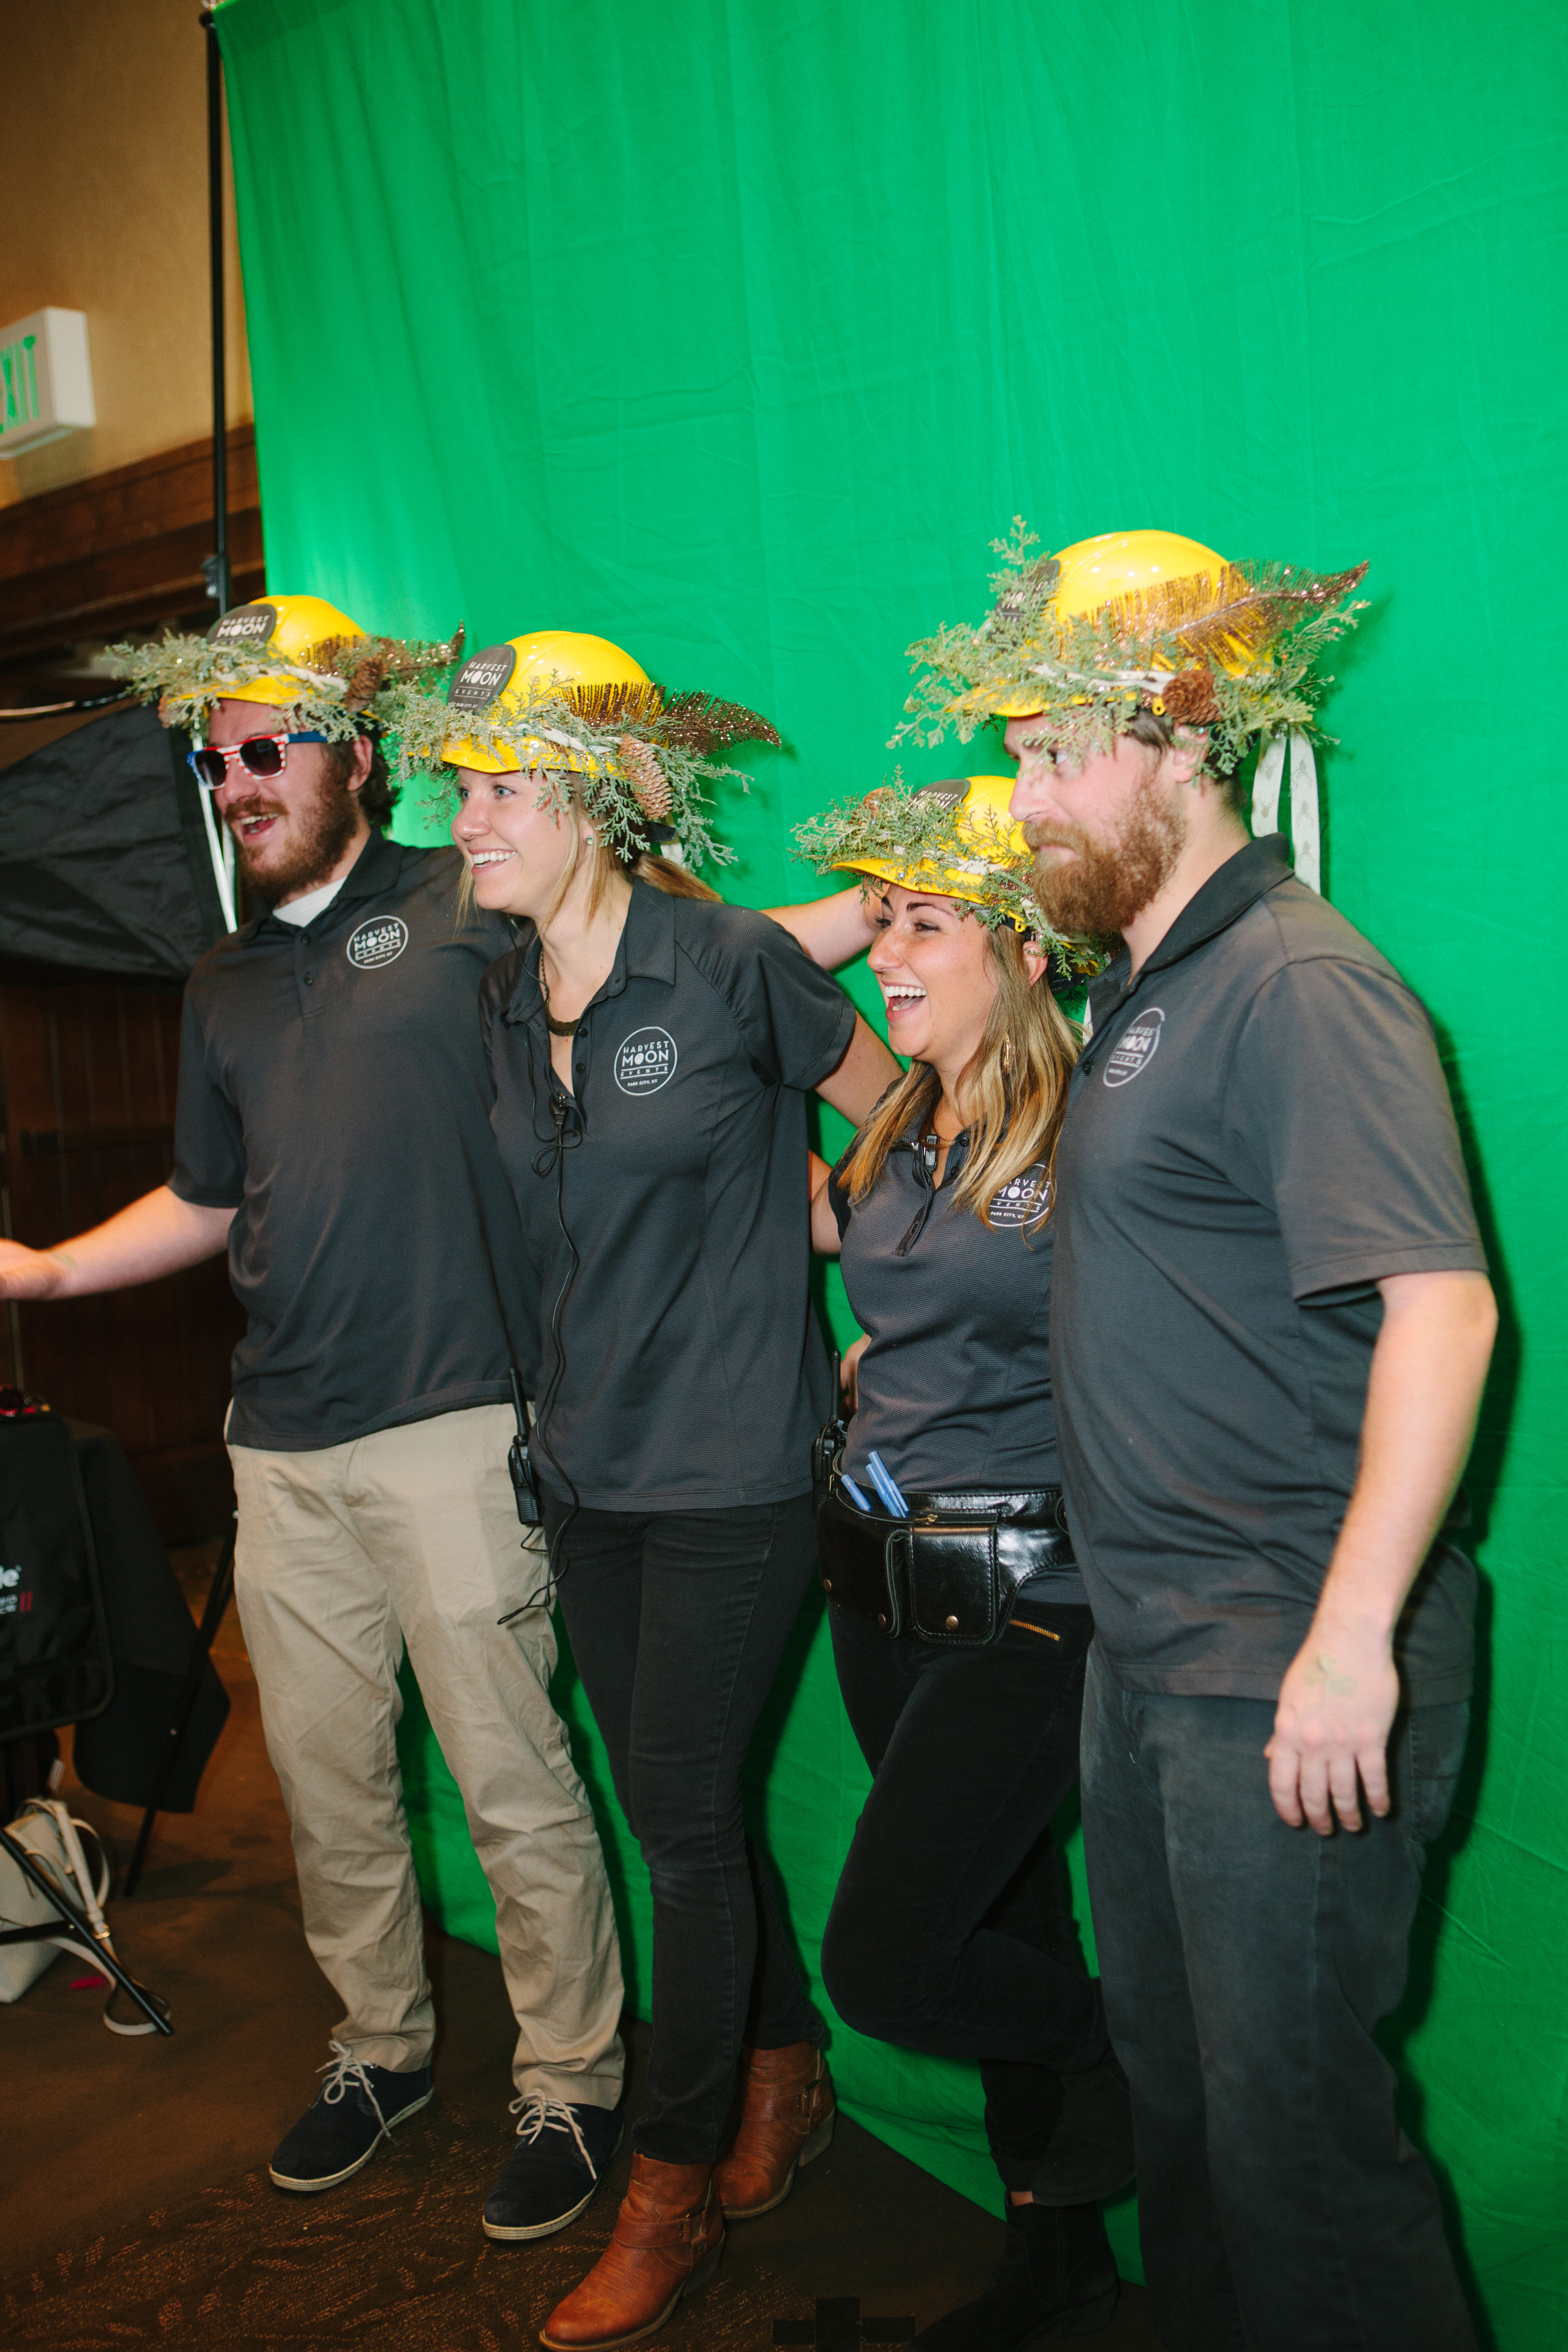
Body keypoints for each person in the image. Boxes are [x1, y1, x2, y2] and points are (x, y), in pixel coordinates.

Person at [901, 526, 1496, 2351]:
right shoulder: (1144, 992)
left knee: (1301, 2164)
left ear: (1183, 739)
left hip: (1284, 1663)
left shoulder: (1297, 983)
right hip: (1151, 1662)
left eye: (1055, 756)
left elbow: (1445, 1310)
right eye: (1015, 756)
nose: (1022, 801)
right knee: (1188, 2129)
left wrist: (1349, 1644)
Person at [0, 598, 629, 2239]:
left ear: (356, 750)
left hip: (455, 1422)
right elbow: (212, 1195)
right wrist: (52, 1270)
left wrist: (888, 915)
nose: (238, 785)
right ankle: (382, 2050)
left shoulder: (473, 897)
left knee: (511, 1779)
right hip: (278, 1445)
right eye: (217, 765)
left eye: (266, 750)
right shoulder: (220, 980)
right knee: (329, 1784)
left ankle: (573, 2083)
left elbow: (672, 962)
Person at [388, 630, 901, 2349]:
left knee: (675, 1823)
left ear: (599, 800)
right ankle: (787, 2066)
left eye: (500, 788)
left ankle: (667, 2193)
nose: (466, 819)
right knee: (688, 1811)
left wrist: (876, 1302)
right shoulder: (493, 991)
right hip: (586, 1471)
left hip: (737, 1475)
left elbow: (903, 1120)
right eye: (460, 787)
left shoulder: (734, 964)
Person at [791, 773, 1134, 2349]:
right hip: (877, 1588)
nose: (889, 956)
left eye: (927, 924)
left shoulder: (1103, 1125)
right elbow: (901, 1275)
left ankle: (1129, 2049)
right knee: (1004, 1919)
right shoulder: (905, 1116)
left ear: (1028, 948)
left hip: (1030, 1604)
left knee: (891, 1962)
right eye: (886, 923)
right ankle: (1058, 2254)